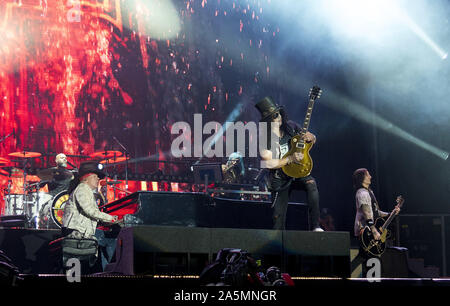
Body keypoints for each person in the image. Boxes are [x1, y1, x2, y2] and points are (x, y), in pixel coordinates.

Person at [255, 96, 322, 231]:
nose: (278, 117)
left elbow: (309, 138)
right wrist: (290, 159)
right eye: (274, 116)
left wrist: (312, 137)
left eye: (278, 114)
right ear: (268, 121)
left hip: (297, 172)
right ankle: (279, 247)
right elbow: (269, 163)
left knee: (311, 184)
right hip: (279, 179)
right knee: (278, 222)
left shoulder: (291, 126)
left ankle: (315, 226)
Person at [61, 161, 118, 273]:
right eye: (96, 177)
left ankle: (106, 270)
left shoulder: (84, 189)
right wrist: (111, 219)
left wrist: (108, 222)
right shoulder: (83, 188)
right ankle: (111, 271)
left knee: (106, 239)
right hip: (76, 233)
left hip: (79, 231)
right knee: (111, 239)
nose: (98, 180)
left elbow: (91, 215)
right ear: (88, 177)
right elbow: (90, 210)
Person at [351, 168, 401, 275]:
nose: (370, 176)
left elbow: (375, 212)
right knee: (369, 257)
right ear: (362, 178)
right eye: (368, 175)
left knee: (364, 256)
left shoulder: (369, 192)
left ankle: (343, 274)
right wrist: (374, 230)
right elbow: (366, 213)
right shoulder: (362, 193)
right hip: (365, 230)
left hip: (369, 229)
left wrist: (390, 213)